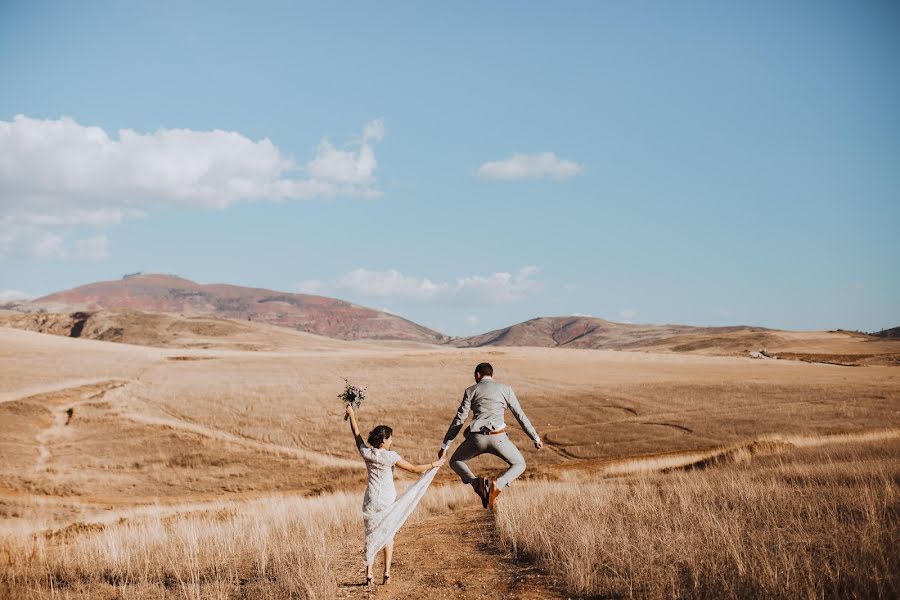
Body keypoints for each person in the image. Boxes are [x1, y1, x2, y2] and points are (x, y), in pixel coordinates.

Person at [345, 404, 444, 586]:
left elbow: (356, 435)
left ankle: (369, 574)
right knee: (388, 534)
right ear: (383, 440)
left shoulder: (367, 453)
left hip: (370, 498)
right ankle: (387, 573)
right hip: (386, 499)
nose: (391, 442)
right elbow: (414, 469)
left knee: (370, 534)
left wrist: (351, 414)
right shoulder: (390, 456)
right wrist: (434, 464)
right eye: (390, 439)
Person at [438, 362, 542, 508]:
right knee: (520, 464)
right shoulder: (506, 389)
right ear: (491, 374)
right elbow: (520, 415)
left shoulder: (470, 390)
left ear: (477, 375)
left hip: (477, 439)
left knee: (455, 461)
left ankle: (477, 484)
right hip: (498, 438)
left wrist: (445, 445)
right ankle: (497, 485)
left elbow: (459, 419)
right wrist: (535, 437)